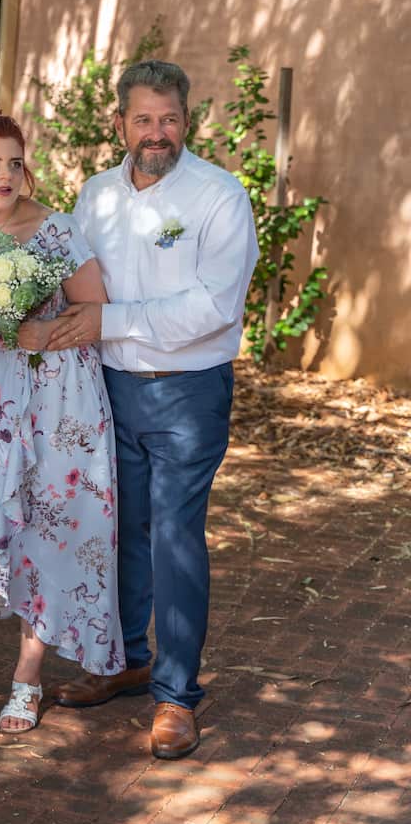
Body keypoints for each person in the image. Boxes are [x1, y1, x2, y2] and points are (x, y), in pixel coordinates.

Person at [45, 61, 257, 759]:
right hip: (108, 387)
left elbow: (212, 310)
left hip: (187, 391)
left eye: (168, 118)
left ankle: (175, 694)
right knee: (118, 529)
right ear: (120, 125)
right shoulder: (96, 195)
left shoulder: (218, 197)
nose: (156, 132)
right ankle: (126, 659)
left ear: (186, 120)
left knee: (173, 536)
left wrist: (109, 320)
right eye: (143, 119)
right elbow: (74, 285)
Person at [0, 95, 125, 734]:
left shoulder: (57, 228)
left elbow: (93, 313)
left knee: (48, 528)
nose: (4, 175)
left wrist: (42, 335)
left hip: (61, 399)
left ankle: (28, 678)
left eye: (14, 162)